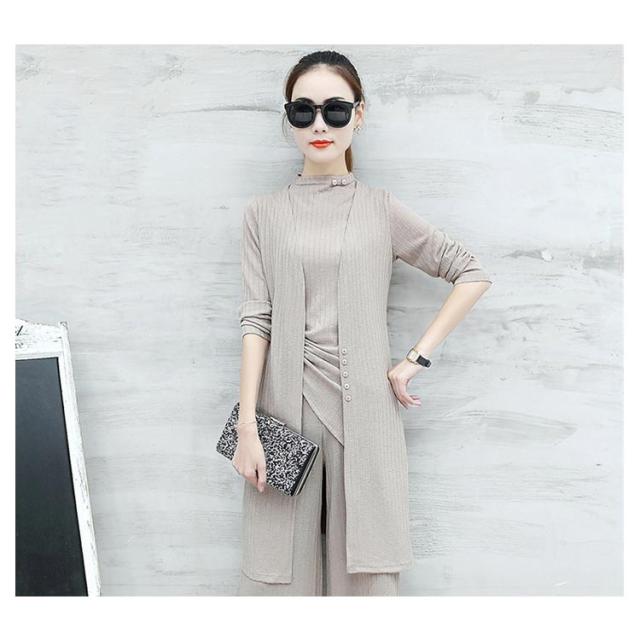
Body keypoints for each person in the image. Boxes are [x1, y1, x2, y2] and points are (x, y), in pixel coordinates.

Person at [232, 50, 493, 596]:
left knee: (369, 576)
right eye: (303, 111)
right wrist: (247, 430)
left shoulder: (380, 209)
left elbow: (469, 272)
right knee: (281, 577)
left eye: (334, 109)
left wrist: (414, 360)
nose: (319, 125)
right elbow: (257, 321)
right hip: (282, 415)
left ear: (359, 114)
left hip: (367, 416)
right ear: (289, 117)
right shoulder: (263, 214)